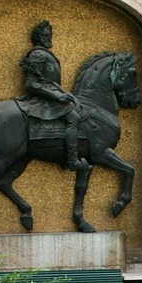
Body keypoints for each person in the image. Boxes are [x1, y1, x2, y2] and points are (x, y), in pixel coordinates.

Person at [16, 20, 90, 170]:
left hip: (52, 94)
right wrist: (57, 96)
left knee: (81, 112)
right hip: (43, 99)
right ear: (39, 37)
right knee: (73, 119)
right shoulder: (38, 55)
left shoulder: (47, 54)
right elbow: (31, 84)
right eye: (45, 35)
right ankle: (72, 160)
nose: (49, 37)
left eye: (50, 34)